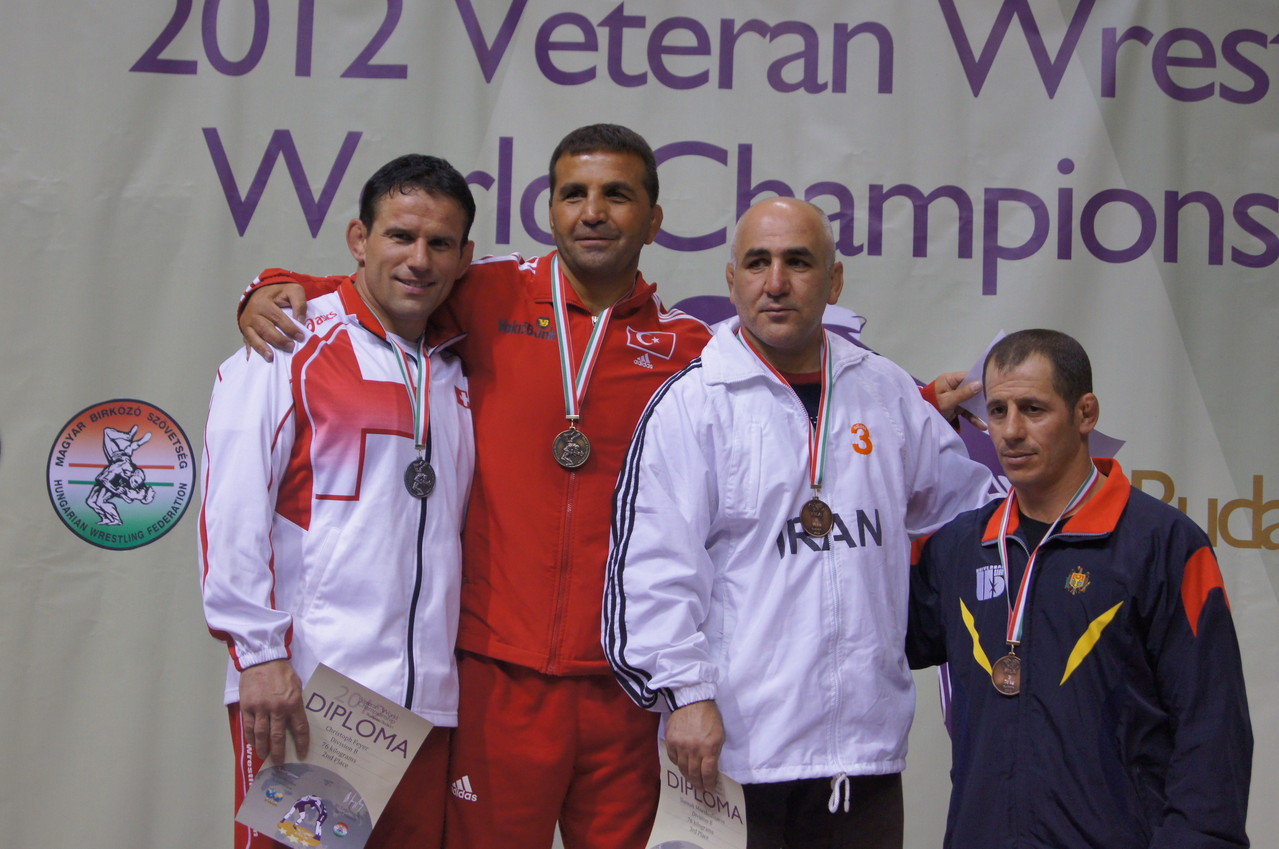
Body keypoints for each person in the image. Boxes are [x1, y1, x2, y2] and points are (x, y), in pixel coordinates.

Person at [237, 129, 986, 849]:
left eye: (617, 194)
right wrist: (276, 288)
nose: (593, 210)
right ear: (550, 208)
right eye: (574, 193)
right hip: (498, 674)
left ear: (653, 218)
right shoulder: (486, 291)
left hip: (627, 692)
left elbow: (792, 382)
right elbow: (389, 282)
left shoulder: (690, 347)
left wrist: (918, 401)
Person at [602, 197, 995, 849]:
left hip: (861, 756)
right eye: (757, 262)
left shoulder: (887, 391)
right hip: (730, 752)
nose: (775, 282)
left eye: (797, 262)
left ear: (833, 280)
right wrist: (684, 693)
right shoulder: (692, 405)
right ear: (732, 281)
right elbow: (651, 570)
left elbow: (967, 512)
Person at [199, 153, 477, 848]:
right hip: (311, 693)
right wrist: (258, 655)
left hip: (424, 703)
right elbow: (232, 506)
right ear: (359, 239)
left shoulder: (457, 363)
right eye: (399, 236)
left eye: (439, 243)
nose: (419, 259)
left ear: (464, 256)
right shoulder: (289, 340)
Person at [906, 329, 1253, 848]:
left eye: (1033, 409)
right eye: (997, 411)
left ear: (1085, 413)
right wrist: (904, 435)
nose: (1011, 431)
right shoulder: (960, 546)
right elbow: (875, 629)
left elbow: (1212, 725)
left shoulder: (1161, 543)